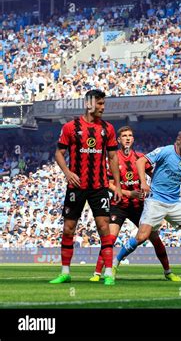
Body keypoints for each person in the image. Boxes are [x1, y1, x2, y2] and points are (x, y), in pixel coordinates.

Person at [115, 129, 181, 282]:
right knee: (142, 237)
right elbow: (140, 161)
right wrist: (143, 182)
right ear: (178, 140)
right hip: (156, 201)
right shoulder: (165, 151)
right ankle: (115, 262)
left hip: (175, 203)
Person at [50, 89, 123, 286]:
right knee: (68, 228)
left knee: (103, 227)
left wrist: (115, 184)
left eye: (103, 104)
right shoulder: (70, 127)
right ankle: (65, 272)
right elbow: (59, 153)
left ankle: (108, 272)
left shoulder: (108, 128)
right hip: (76, 186)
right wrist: (67, 172)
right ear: (88, 104)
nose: (102, 108)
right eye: (99, 104)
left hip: (99, 186)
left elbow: (113, 157)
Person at [90, 126, 181, 282]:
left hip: (139, 206)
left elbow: (155, 175)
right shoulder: (112, 158)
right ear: (118, 140)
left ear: (133, 139)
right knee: (109, 239)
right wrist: (128, 193)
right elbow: (110, 184)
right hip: (119, 205)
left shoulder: (140, 158)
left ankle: (168, 272)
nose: (127, 138)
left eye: (130, 135)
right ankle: (98, 274)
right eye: (124, 136)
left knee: (155, 239)